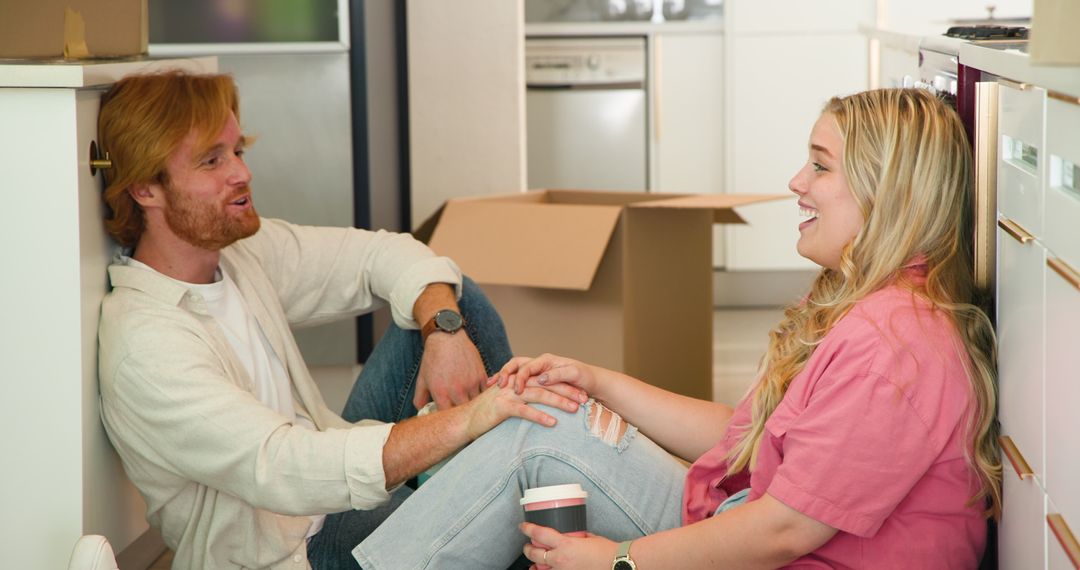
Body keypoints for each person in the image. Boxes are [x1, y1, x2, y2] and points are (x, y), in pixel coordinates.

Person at [353, 88, 1001, 569]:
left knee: (532, 438)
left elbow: (783, 533)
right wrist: (596, 381)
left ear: (886, 193)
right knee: (548, 418)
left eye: (821, 166)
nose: (796, 182)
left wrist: (620, 560)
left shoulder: (892, 348)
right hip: (738, 518)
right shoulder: (879, 310)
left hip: (767, 547)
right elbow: (746, 438)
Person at [95, 70, 587, 570]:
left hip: (330, 499)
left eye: (237, 151)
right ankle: (511, 494)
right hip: (295, 552)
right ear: (145, 190)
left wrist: (443, 331)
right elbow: (287, 467)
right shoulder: (146, 345)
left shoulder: (237, 256)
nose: (241, 173)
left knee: (456, 305)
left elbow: (382, 254)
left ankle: (504, 482)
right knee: (510, 527)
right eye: (211, 161)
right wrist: (469, 421)